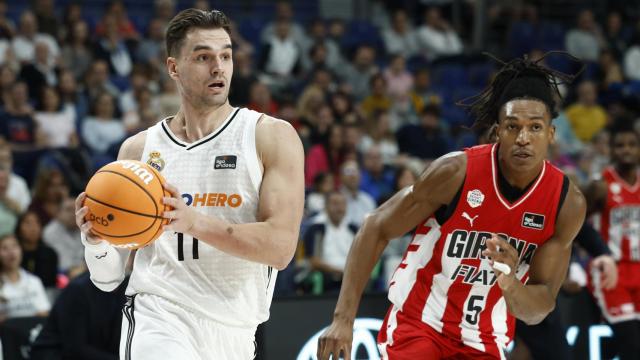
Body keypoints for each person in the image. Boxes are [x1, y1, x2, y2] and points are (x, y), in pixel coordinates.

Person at [317, 56, 586, 359]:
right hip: (420, 323)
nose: (523, 138)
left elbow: (539, 308)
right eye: (513, 126)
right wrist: (342, 321)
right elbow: (375, 226)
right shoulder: (455, 172)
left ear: (551, 134)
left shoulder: (567, 202)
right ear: (498, 132)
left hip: (485, 340)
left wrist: (510, 282)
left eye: (535, 127)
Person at [74, 8, 304, 360]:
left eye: (225, 55)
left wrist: (194, 222)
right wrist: (95, 239)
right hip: (159, 315)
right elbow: (106, 278)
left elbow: (281, 249)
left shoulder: (269, 136)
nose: (218, 67)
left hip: (237, 331)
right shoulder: (137, 150)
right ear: (173, 68)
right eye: (203, 57)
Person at [584, 123, 640, 359]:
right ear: (611, 150)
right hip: (612, 275)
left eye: (631, 145)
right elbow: (576, 227)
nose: (625, 150)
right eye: (619, 145)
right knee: (632, 346)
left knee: (626, 346)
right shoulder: (600, 186)